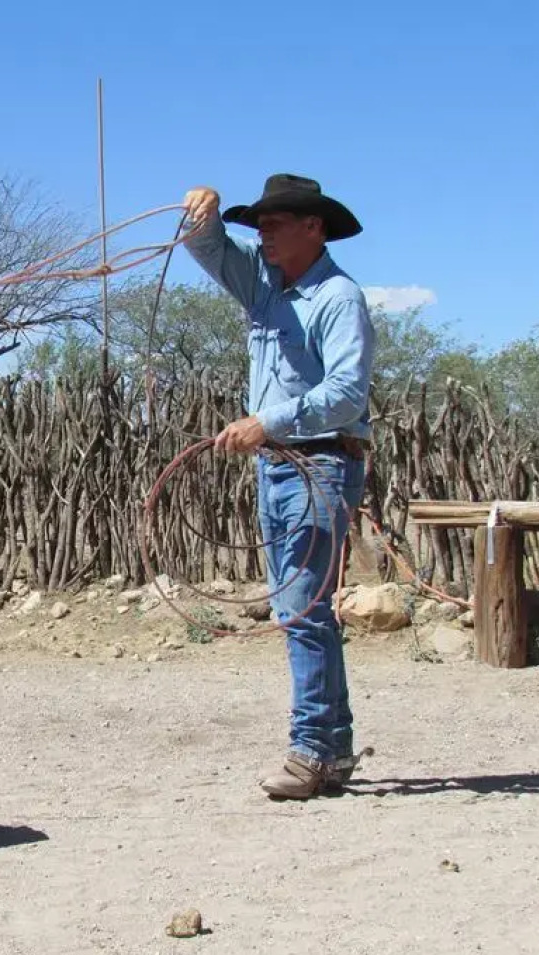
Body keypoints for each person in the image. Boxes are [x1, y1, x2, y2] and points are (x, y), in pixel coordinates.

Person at [179, 174, 374, 800]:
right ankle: (332, 750)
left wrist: (268, 422)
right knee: (305, 608)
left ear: (312, 228)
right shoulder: (264, 285)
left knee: (301, 608)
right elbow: (209, 251)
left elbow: (347, 394)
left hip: (317, 463)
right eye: (257, 224)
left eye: (273, 223)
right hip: (281, 465)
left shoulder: (338, 299)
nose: (260, 233)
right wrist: (203, 212)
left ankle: (313, 751)